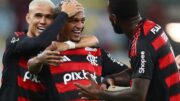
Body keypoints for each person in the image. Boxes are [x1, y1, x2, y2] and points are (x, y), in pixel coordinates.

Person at [74, 0, 180, 101]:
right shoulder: (151, 27)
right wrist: (113, 78)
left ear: (114, 18)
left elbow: (137, 95)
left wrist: (100, 94)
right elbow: (141, 74)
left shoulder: (141, 44)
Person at [1, 0, 98, 101]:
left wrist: (66, 45)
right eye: (38, 16)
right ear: (28, 18)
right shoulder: (15, 39)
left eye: (48, 17)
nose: (43, 21)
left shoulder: (54, 47)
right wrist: (64, 14)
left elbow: (93, 39)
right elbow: (39, 43)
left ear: (54, 21)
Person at [27, 4, 129, 101]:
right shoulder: (49, 50)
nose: (80, 26)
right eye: (74, 21)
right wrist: (39, 60)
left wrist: (108, 81)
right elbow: (31, 66)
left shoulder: (94, 51)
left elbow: (133, 75)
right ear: (60, 22)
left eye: (82, 21)